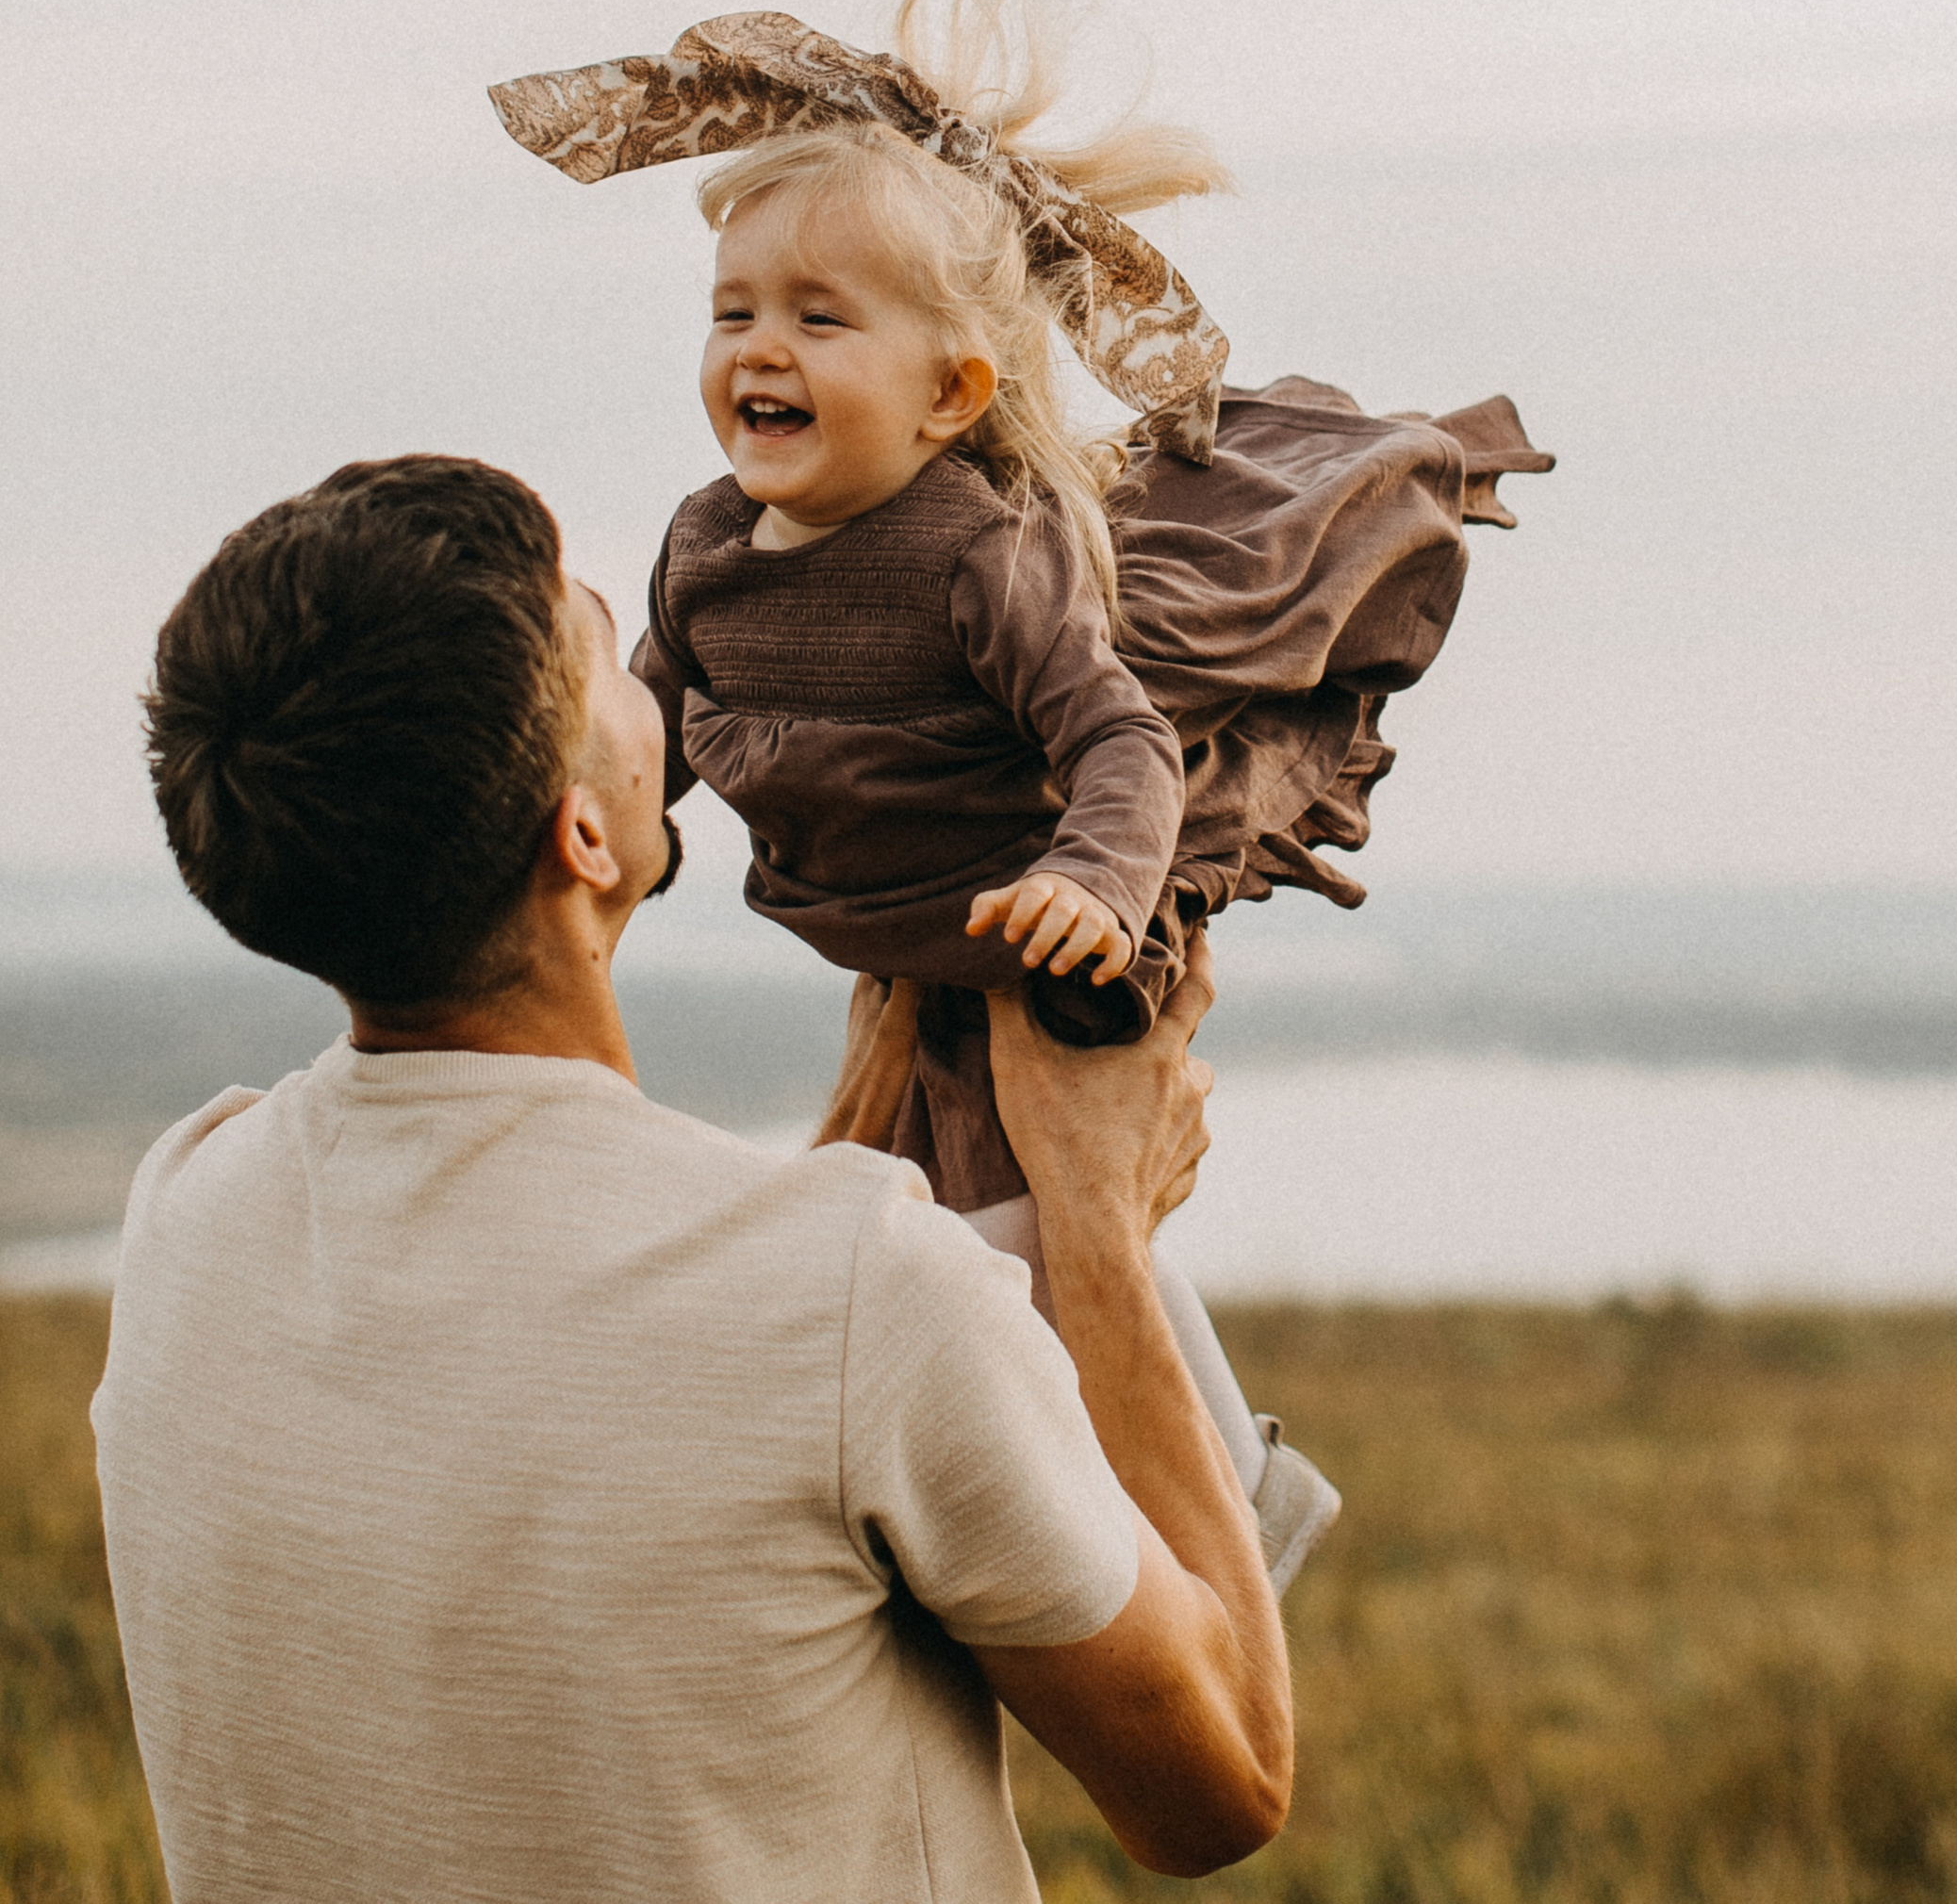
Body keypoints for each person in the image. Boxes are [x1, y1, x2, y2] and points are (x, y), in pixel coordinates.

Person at [487, 0, 1553, 1584]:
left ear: (951, 394)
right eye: (734, 312)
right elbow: (655, 706)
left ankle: (1215, 1508)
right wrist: (609, 838)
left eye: (817, 320)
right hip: (891, 921)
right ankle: (984, 1517)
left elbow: (1114, 736)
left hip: (1032, 903)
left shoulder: (978, 557)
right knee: (923, 1223)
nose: (758, 350)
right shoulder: (707, 542)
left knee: (1036, 1223)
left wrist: (1094, 884)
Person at [97, 453, 1291, 1904]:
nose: (656, 672)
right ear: (582, 835)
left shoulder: (185, 1217)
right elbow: (1217, 1784)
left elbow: (634, 1392)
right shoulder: (865, 1301)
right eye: (604, 641)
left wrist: (864, 1135)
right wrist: (1099, 1220)